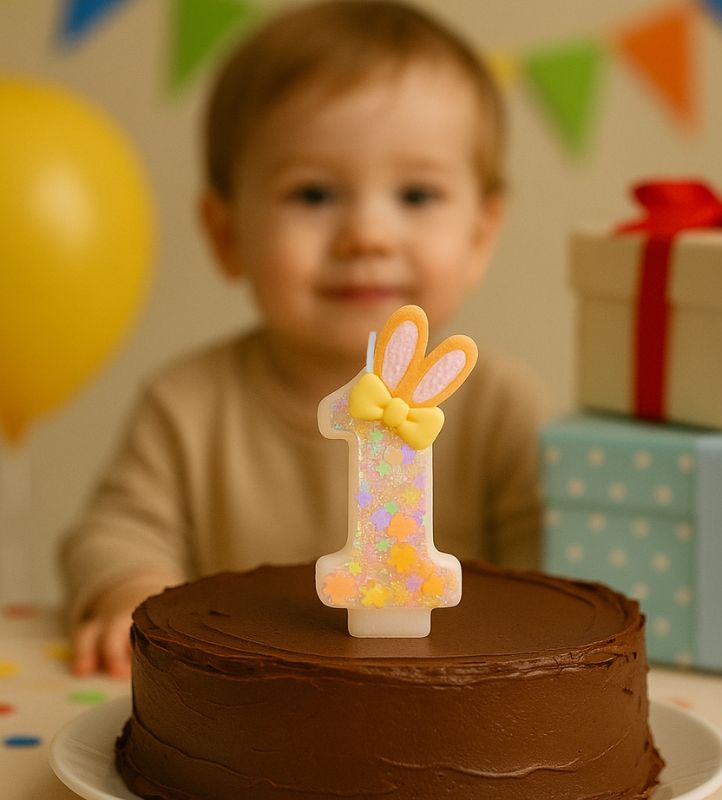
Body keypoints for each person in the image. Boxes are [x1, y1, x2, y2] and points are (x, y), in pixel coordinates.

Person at [61, 0, 544, 678]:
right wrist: (129, 592)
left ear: (480, 235)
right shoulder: (187, 404)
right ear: (226, 234)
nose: (367, 236)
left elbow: (555, 577)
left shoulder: (501, 407)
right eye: (314, 195)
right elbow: (113, 533)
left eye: (416, 195)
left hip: (444, 720)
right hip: (244, 722)